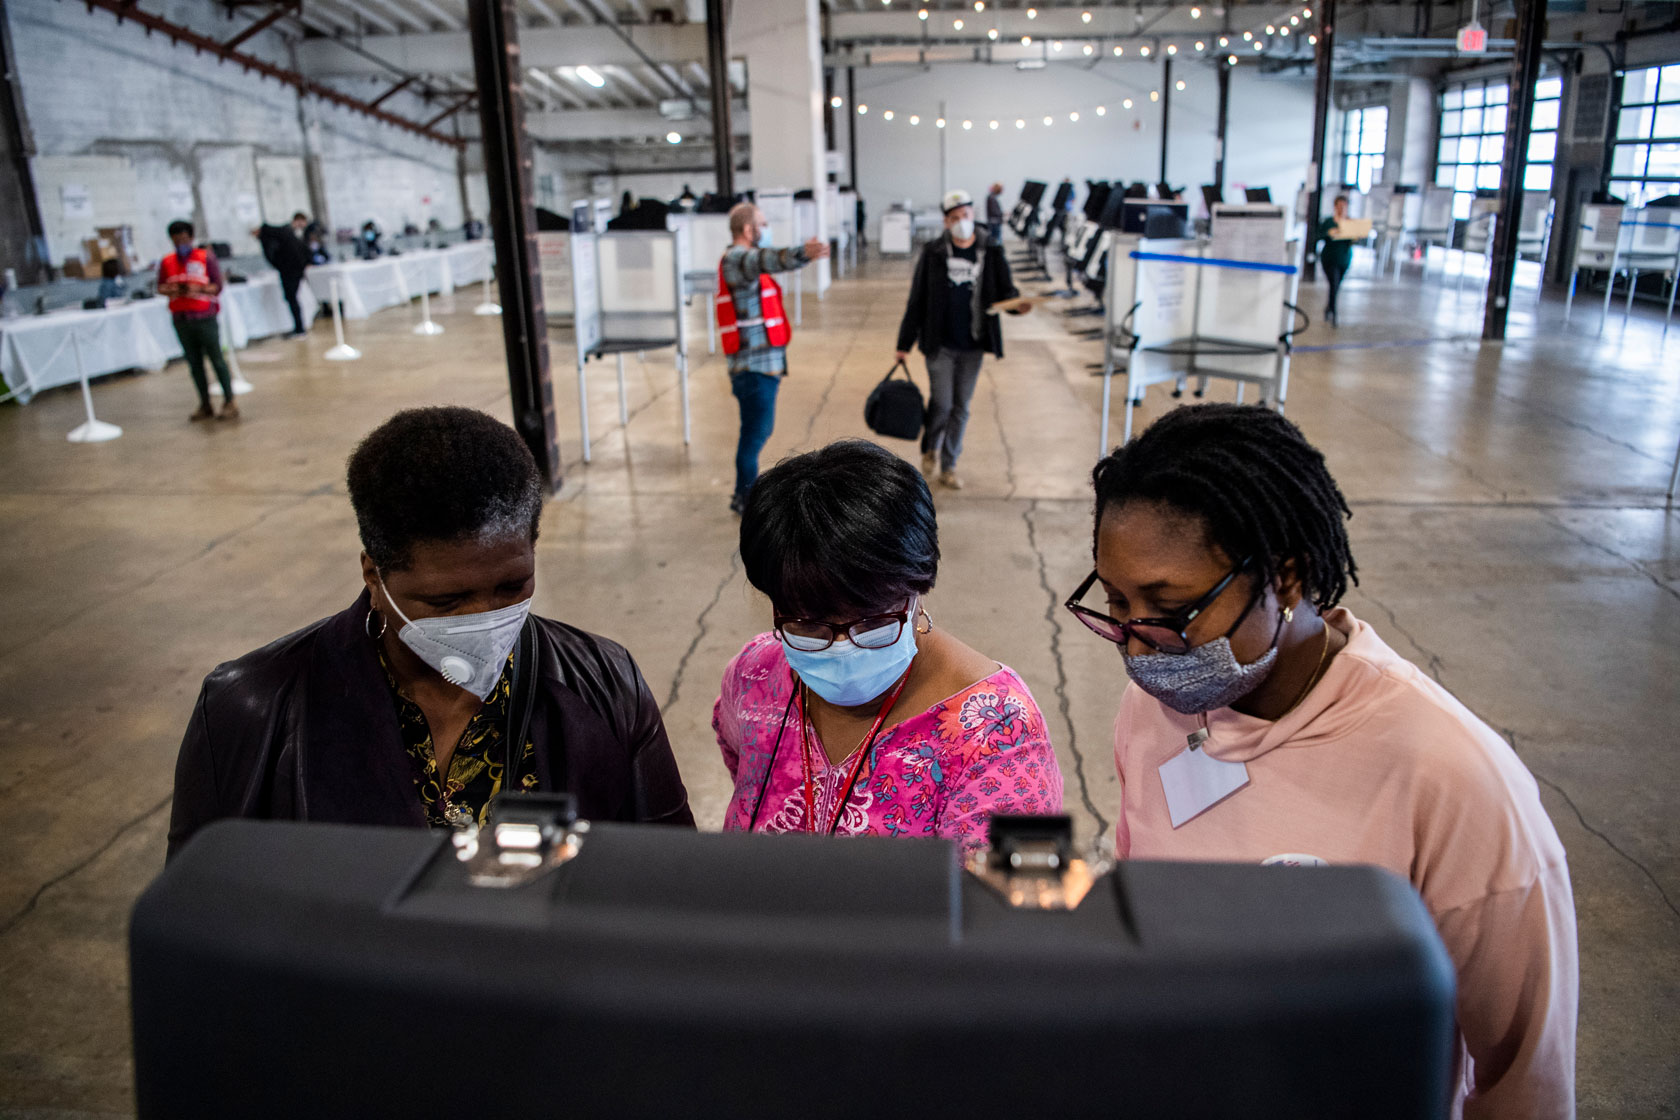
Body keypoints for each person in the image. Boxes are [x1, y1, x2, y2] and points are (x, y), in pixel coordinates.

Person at [1067, 404, 1577, 1119]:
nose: (1138, 645)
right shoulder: (1152, 708)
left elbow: (1525, 1078)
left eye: (1170, 611)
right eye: (1116, 604)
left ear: (1289, 575)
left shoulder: (1453, 778)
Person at [168, 406, 695, 859]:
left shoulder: (604, 684)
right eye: (447, 601)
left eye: (513, 585)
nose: (486, 616)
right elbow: (203, 914)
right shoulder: (252, 709)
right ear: (374, 575)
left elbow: (669, 878)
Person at [714, 439, 1062, 848]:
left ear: (917, 589)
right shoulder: (754, 676)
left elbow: (1015, 902)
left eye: (872, 622)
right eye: (809, 626)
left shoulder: (1000, 737)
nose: (842, 646)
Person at [894, 188, 1019, 491]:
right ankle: (930, 448)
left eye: (966, 215)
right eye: (955, 218)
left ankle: (949, 465)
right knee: (942, 403)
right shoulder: (934, 251)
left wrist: (1018, 303)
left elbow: (1006, 290)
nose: (962, 221)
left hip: (973, 344)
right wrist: (903, 344)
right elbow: (918, 299)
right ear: (946, 221)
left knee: (962, 406)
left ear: (973, 214)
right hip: (940, 344)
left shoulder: (991, 248)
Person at [717, 201, 830, 514]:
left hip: (758, 366)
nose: (766, 230)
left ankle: (744, 494)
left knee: (754, 432)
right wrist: (802, 253)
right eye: (762, 225)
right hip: (753, 369)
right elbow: (768, 259)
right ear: (748, 230)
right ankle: (746, 498)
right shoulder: (738, 259)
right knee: (755, 435)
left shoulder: (739, 260)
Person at [157, 219, 237, 422]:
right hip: (181, 318)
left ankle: (229, 401)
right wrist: (174, 290)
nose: (180, 242)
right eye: (176, 239)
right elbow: (160, 287)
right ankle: (205, 404)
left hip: (204, 316)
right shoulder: (167, 261)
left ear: (191, 238)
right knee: (194, 364)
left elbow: (217, 285)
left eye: (184, 238)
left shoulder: (204, 258)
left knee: (217, 359)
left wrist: (198, 289)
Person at [253, 211, 311, 338]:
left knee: (292, 299)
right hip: (292, 270)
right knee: (292, 299)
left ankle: (300, 329)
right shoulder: (285, 233)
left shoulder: (274, 235)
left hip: (290, 272)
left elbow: (273, 256)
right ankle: (299, 327)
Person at [1317, 194, 1353, 327]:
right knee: (1334, 284)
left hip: (1344, 259)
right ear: (1335, 206)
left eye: (1344, 206)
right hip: (1329, 258)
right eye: (1339, 206)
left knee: (1336, 286)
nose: (1342, 209)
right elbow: (1318, 235)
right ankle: (1334, 314)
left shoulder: (1350, 222)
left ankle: (1328, 308)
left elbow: (1351, 241)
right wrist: (1328, 233)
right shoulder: (1328, 222)